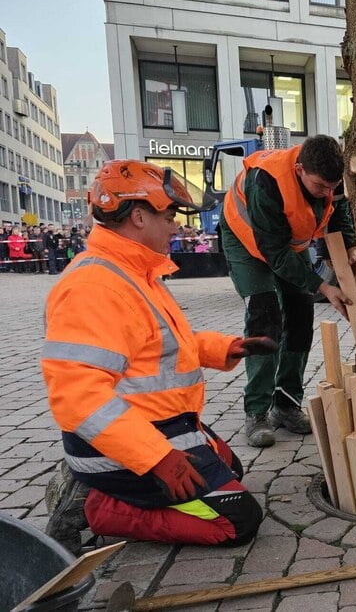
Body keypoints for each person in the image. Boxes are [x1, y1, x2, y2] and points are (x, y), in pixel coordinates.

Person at [41, 160, 272, 554]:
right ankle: (97, 505)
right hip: (127, 445)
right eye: (169, 217)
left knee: (231, 467)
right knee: (238, 521)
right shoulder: (95, 287)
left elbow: (160, 345)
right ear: (138, 217)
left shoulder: (135, 273)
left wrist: (226, 348)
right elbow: (79, 397)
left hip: (161, 426)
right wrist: (156, 459)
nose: (176, 227)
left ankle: (102, 484)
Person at [221, 136, 356, 448]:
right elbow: (275, 253)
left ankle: (285, 403)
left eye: (332, 186)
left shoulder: (327, 179)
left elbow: (339, 210)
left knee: (299, 314)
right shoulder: (265, 183)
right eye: (320, 186)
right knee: (265, 315)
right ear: (299, 170)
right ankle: (256, 410)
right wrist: (322, 286)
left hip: (285, 245)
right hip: (247, 244)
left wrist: (349, 245)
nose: (327, 193)